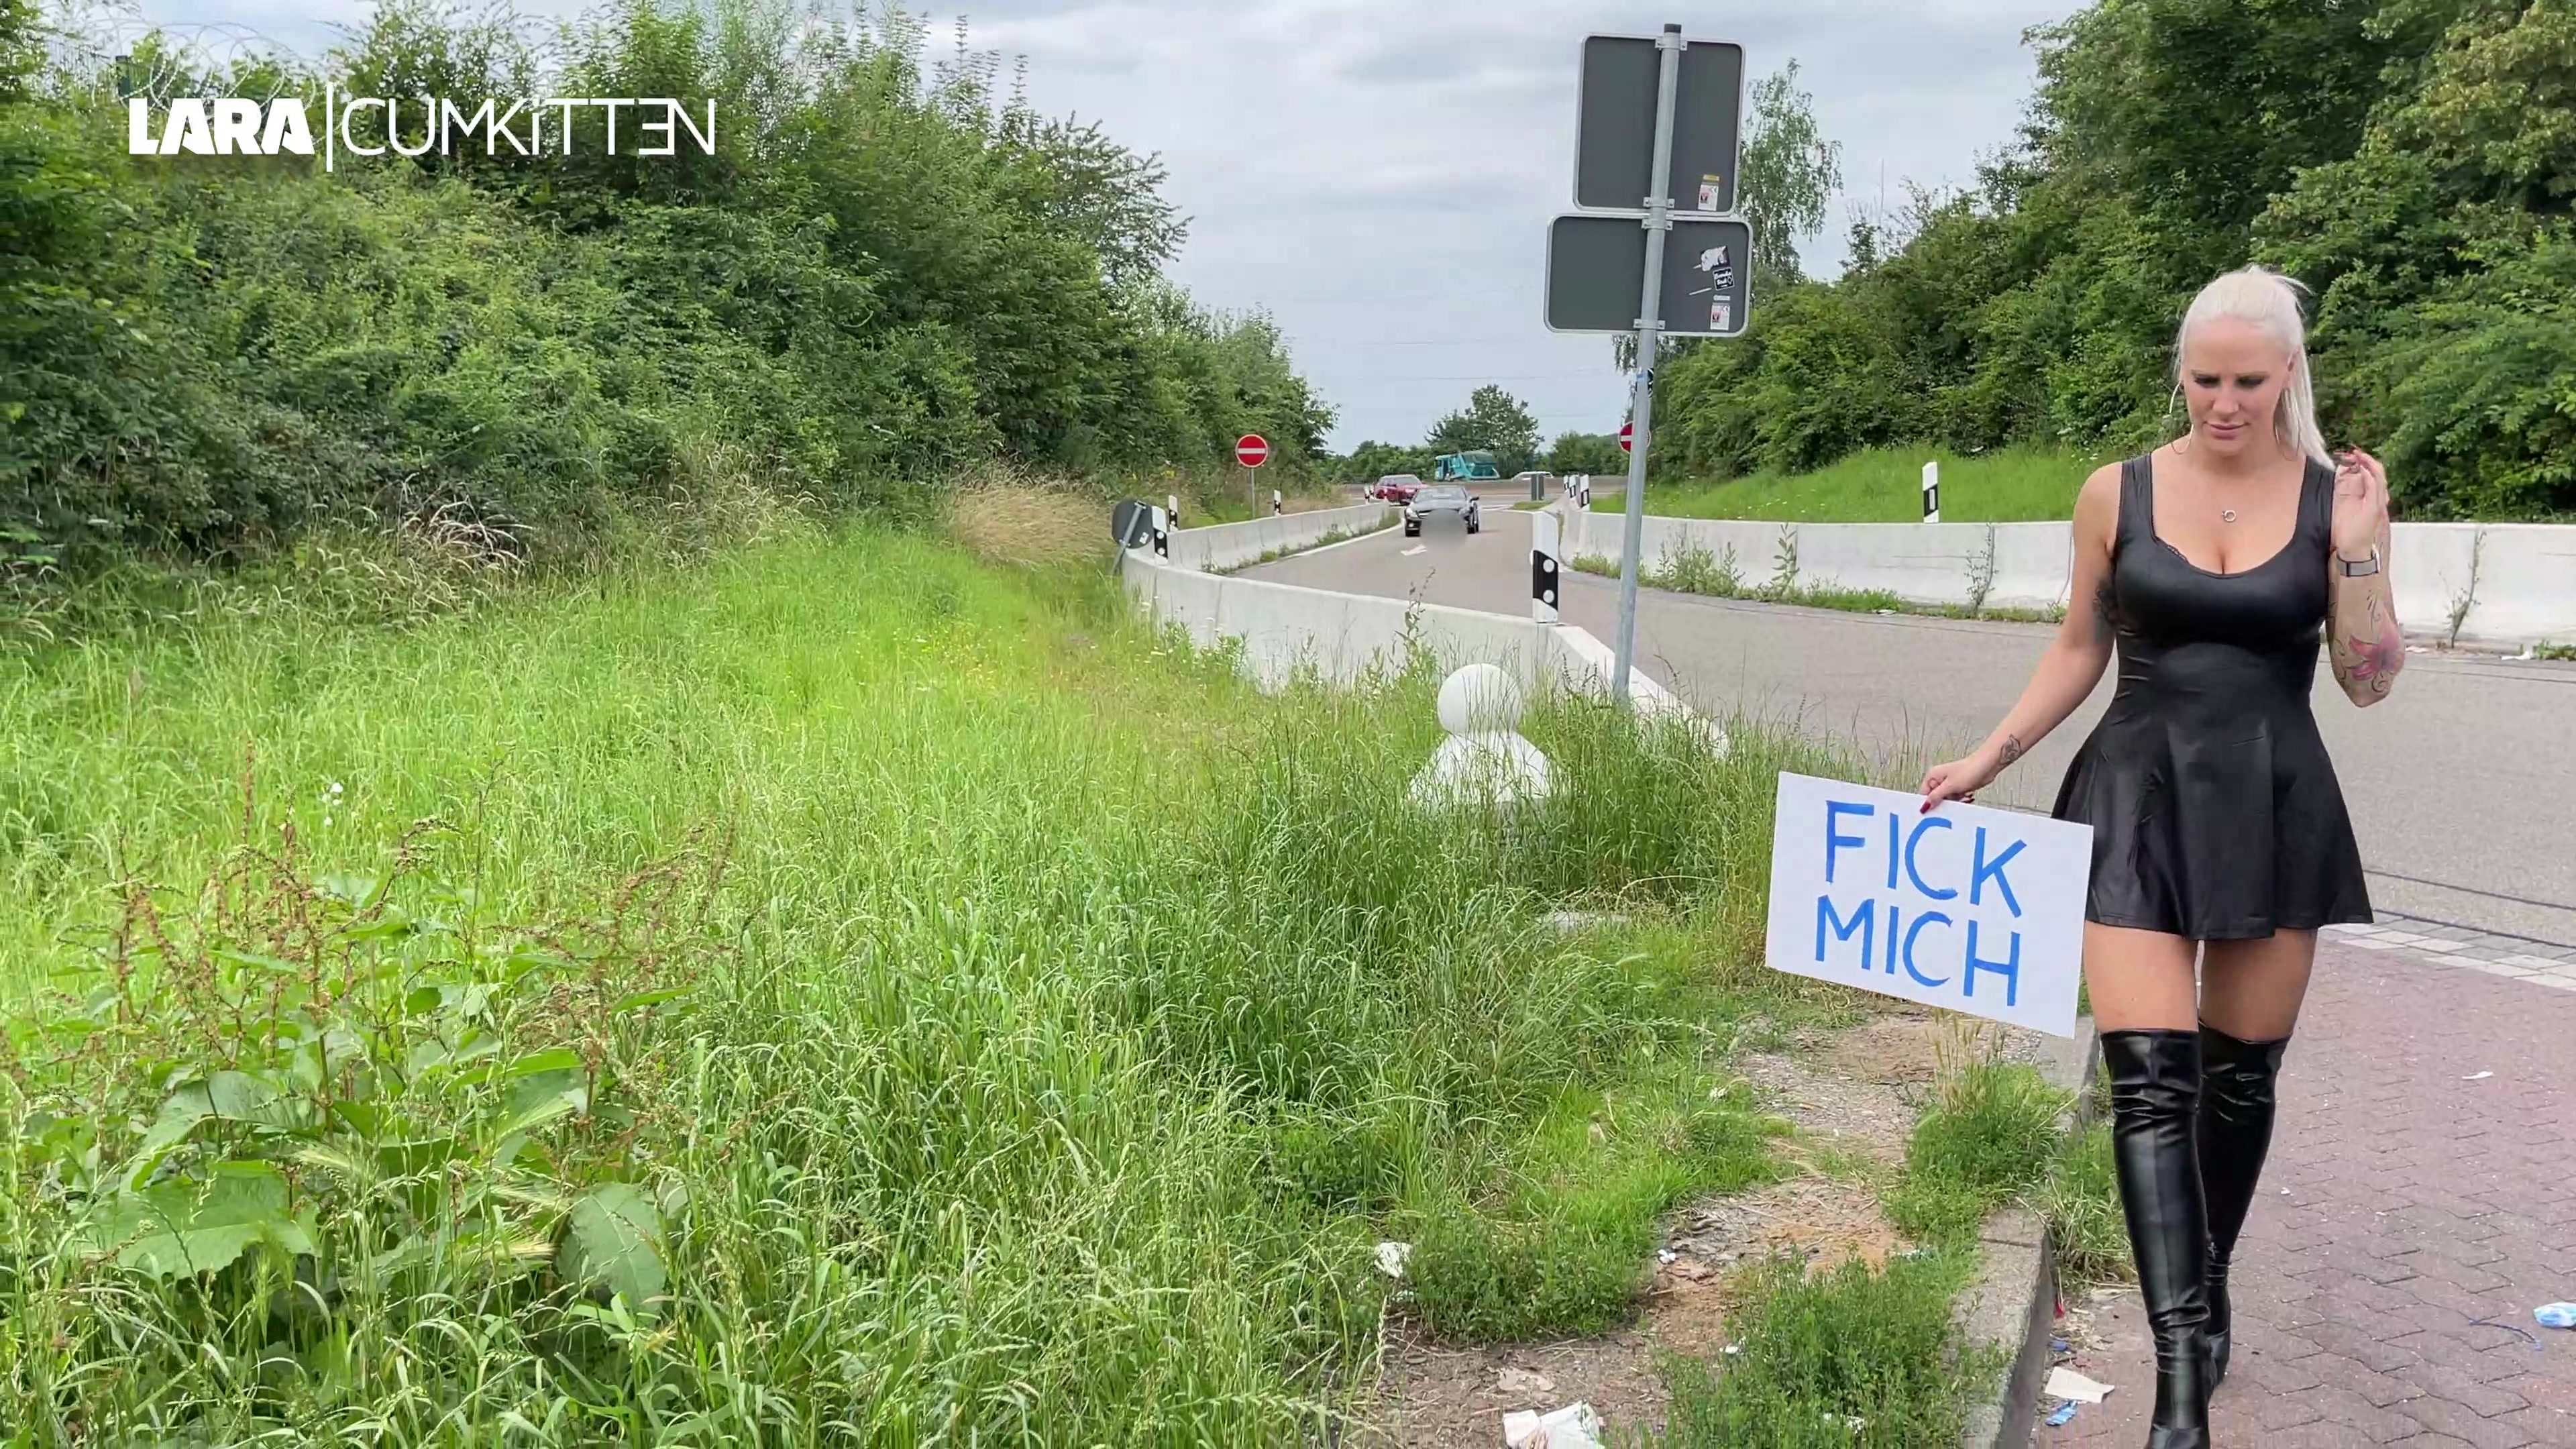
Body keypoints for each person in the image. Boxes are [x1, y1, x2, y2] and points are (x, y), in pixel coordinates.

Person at [1919, 265, 2402, 1448]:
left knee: (2240, 1085)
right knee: (2149, 1085)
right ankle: (2180, 1384)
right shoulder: (2115, 493)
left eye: (2247, 379)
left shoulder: (2333, 495)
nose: (2223, 402)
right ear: (2178, 374)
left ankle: (2213, 1271)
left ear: (2289, 373)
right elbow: (2080, 645)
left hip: (2277, 799)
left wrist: (2356, 552)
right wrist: (1991, 755)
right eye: (2203, 379)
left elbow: (2370, 679)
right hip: (2133, 793)